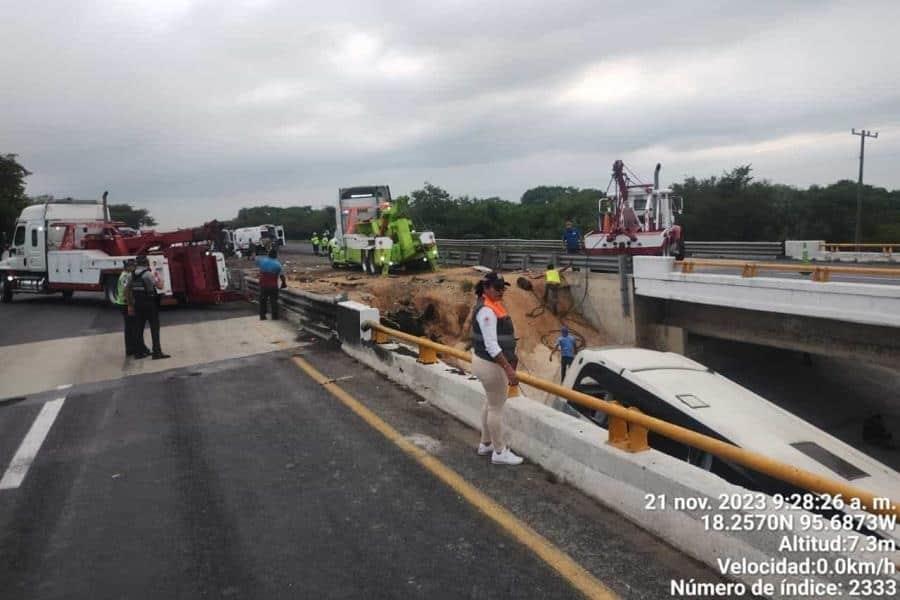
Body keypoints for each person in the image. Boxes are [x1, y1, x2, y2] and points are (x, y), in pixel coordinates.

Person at [470, 271, 524, 466]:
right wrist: (509, 369)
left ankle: (486, 443)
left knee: (489, 403)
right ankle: (500, 451)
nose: (501, 291)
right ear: (486, 288)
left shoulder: (489, 305)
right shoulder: (487, 311)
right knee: (496, 408)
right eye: (497, 288)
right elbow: (492, 346)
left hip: (483, 362)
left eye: (503, 288)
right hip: (490, 365)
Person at [129, 255, 170, 360]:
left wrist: (130, 305)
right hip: (149, 303)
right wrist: (159, 278)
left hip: (137, 303)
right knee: (154, 328)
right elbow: (159, 286)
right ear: (146, 263)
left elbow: (128, 290)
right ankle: (157, 352)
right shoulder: (147, 274)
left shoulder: (131, 275)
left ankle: (138, 353)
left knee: (139, 328)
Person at [115, 259, 149, 358]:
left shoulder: (123, 274)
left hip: (123, 303)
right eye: (133, 266)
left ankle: (130, 349)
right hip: (126, 304)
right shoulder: (126, 276)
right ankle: (137, 351)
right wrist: (130, 305)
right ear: (128, 267)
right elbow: (127, 292)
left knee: (129, 328)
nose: (134, 268)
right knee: (134, 327)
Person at [256, 248, 287, 320]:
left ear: (268, 255)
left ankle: (262, 316)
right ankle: (274, 316)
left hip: (263, 284)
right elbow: (282, 276)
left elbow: (258, 263)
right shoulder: (278, 264)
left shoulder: (262, 261)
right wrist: (284, 283)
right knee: (274, 301)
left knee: (263, 300)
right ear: (276, 255)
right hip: (273, 285)